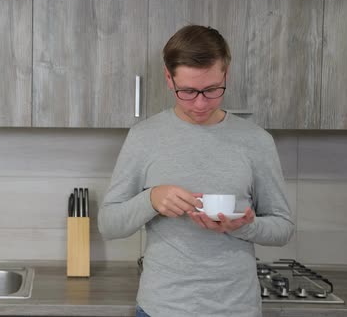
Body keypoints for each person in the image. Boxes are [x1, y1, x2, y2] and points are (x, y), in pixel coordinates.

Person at [98, 25, 294, 317]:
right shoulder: (144, 138)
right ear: (169, 78)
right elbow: (109, 224)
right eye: (188, 91)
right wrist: (151, 199)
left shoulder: (257, 142)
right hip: (161, 308)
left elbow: (283, 227)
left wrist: (244, 226)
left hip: (237, 309)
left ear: (225, 75)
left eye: (212, 90)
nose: (200, 103)